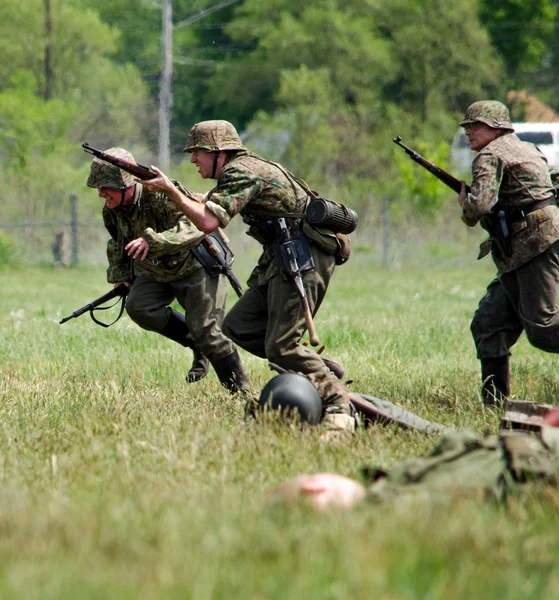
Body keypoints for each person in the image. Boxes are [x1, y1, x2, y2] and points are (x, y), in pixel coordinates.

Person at [141, 121, 355, 435]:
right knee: (237, 327)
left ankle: (339, 405)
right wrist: (166, 186)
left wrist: (171, 191)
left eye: (197, 152)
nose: (192, 160)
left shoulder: (241, 171)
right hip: (279, 257)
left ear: (218, 152)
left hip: (302, 258)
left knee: (282, 347)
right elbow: (205, 203)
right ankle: (321, 370)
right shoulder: (239, 170)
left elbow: (207, 221)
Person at [87, 147, 248, 393]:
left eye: (105, 187)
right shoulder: (112, 210)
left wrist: (151, 241)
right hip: (156, 269)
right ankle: (196, 345)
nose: (100, 194)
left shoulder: (161, 194)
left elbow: (195, 226)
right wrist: (121, 278)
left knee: (207, 330)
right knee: (138, 306)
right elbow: (117, 243)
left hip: (195, 263)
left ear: (125, 184)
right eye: (98, 188)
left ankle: (240, 392)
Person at [457, 101, 559, 408]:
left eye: (475, 126)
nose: (468, 132)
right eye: (467, 127)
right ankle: (495, 405)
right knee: (489, 323)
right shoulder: (528, 149)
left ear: (496, 127)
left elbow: (479, 206)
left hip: (534, 246)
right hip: (523, 249)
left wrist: (466, 203)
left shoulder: (490, 155)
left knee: (545, 329)